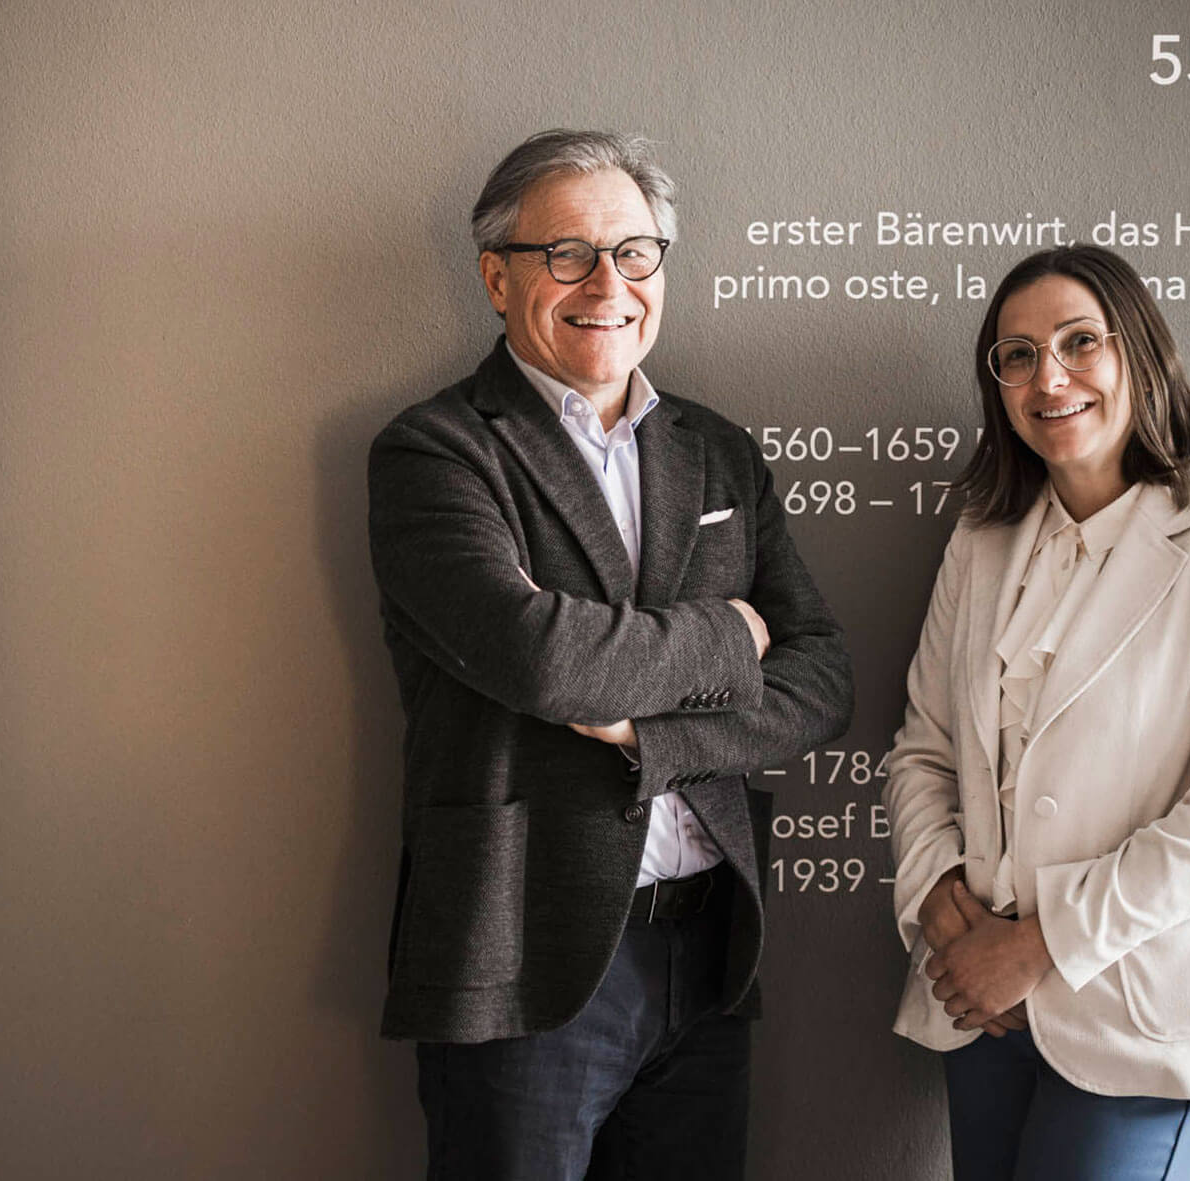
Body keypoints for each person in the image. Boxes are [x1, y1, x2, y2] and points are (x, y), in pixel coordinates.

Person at [367, 129, 854, 1181]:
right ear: (498, 276)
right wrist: (732, 633)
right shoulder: (435, 451)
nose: (609, 283)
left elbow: (820, 677)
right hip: (520, 949)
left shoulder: (719, 450)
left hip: (707, 951)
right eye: (569, 254)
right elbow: (543, 658)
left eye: (636, 253)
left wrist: (648, 733)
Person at [881, 244, 1190, 1180]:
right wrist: (937, 904)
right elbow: (924, 747)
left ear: (1140, 355)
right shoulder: (981, 543)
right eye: (1017, 355)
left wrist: (1042, 945)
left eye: (1081, 342)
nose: (1050, 376)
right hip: (983, 1010)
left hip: (1140, 1012)